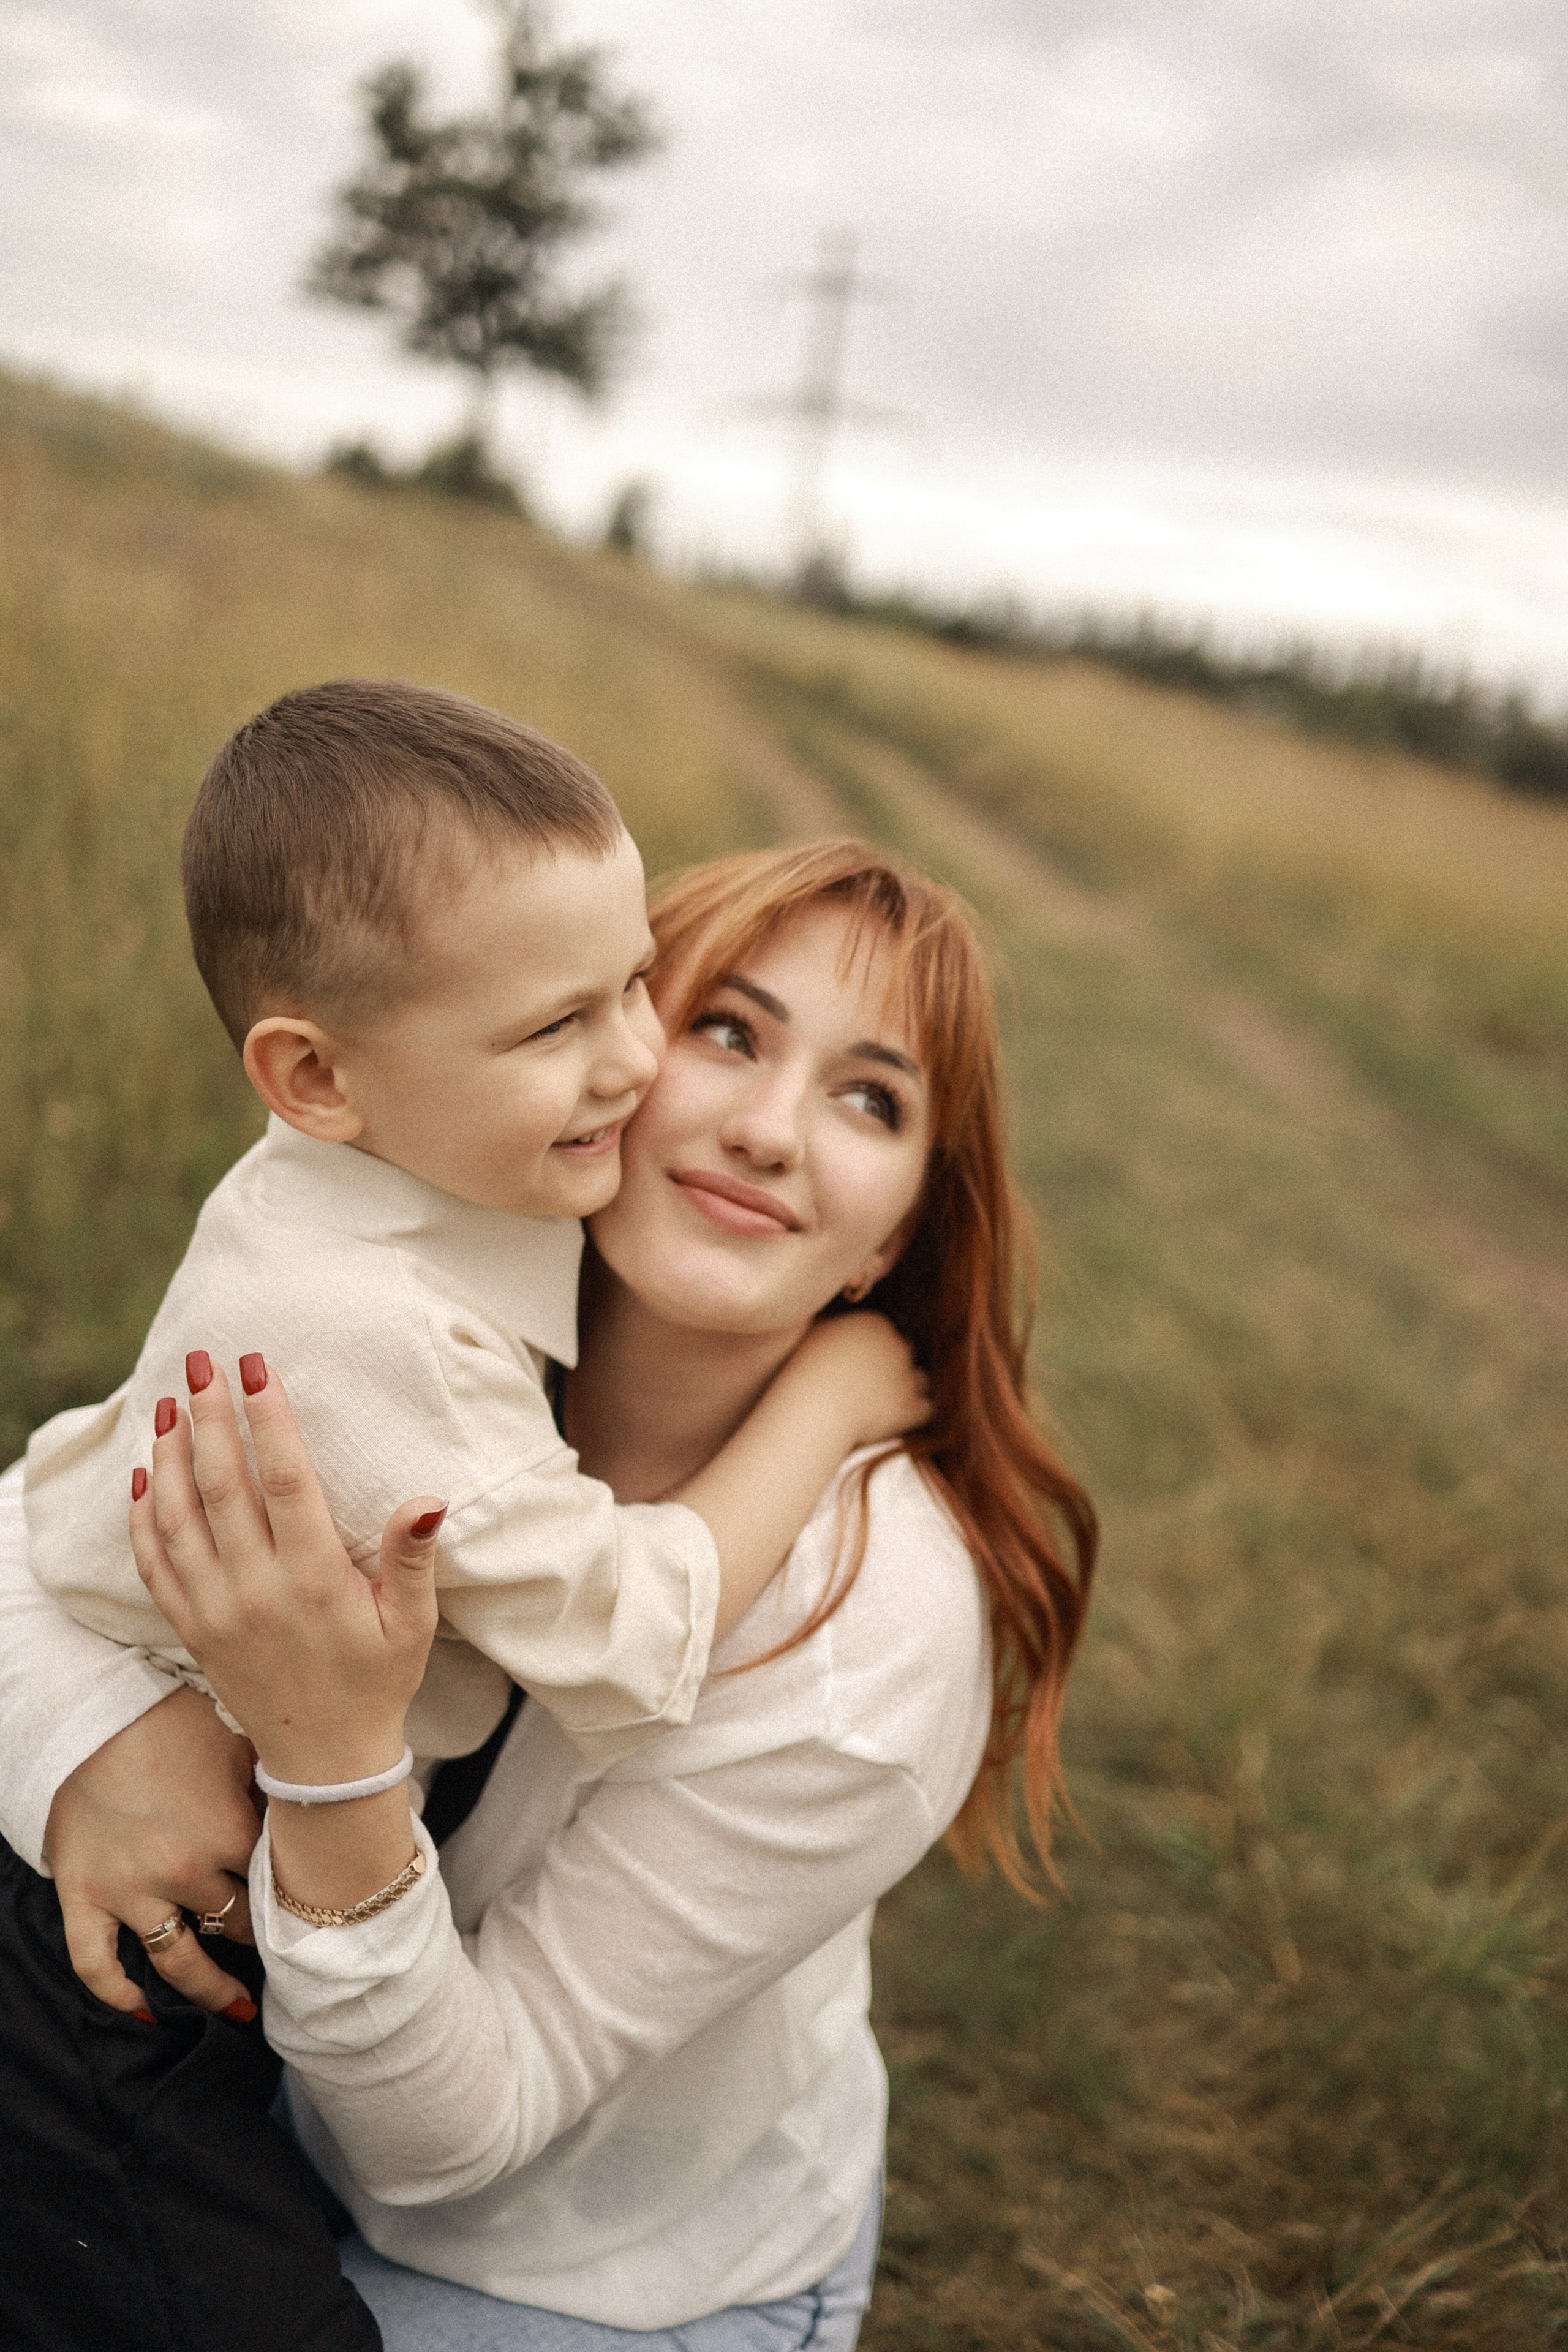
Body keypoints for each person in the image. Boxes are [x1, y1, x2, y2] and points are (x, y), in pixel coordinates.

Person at [1, 841, 1096, 2348]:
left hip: (567, 2266)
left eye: (869, 1099)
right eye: (728, 1030)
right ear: (596, 1051)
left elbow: (455, 2133)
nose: (769, 1130)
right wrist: (91, 1749)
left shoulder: (875, 1640)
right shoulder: (421, 1302)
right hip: (271, 2102)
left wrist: (330, 1760)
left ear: (894, 1238)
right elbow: (40, 1523)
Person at [20, 680, 924, 2026]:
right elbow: (629, 1636)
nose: (634, 1060)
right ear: (317, 1080)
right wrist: (831, 1397)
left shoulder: (379, 1167)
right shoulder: (388, 1335)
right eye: (555, 1026)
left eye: (636, 985)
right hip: (141, 1940)